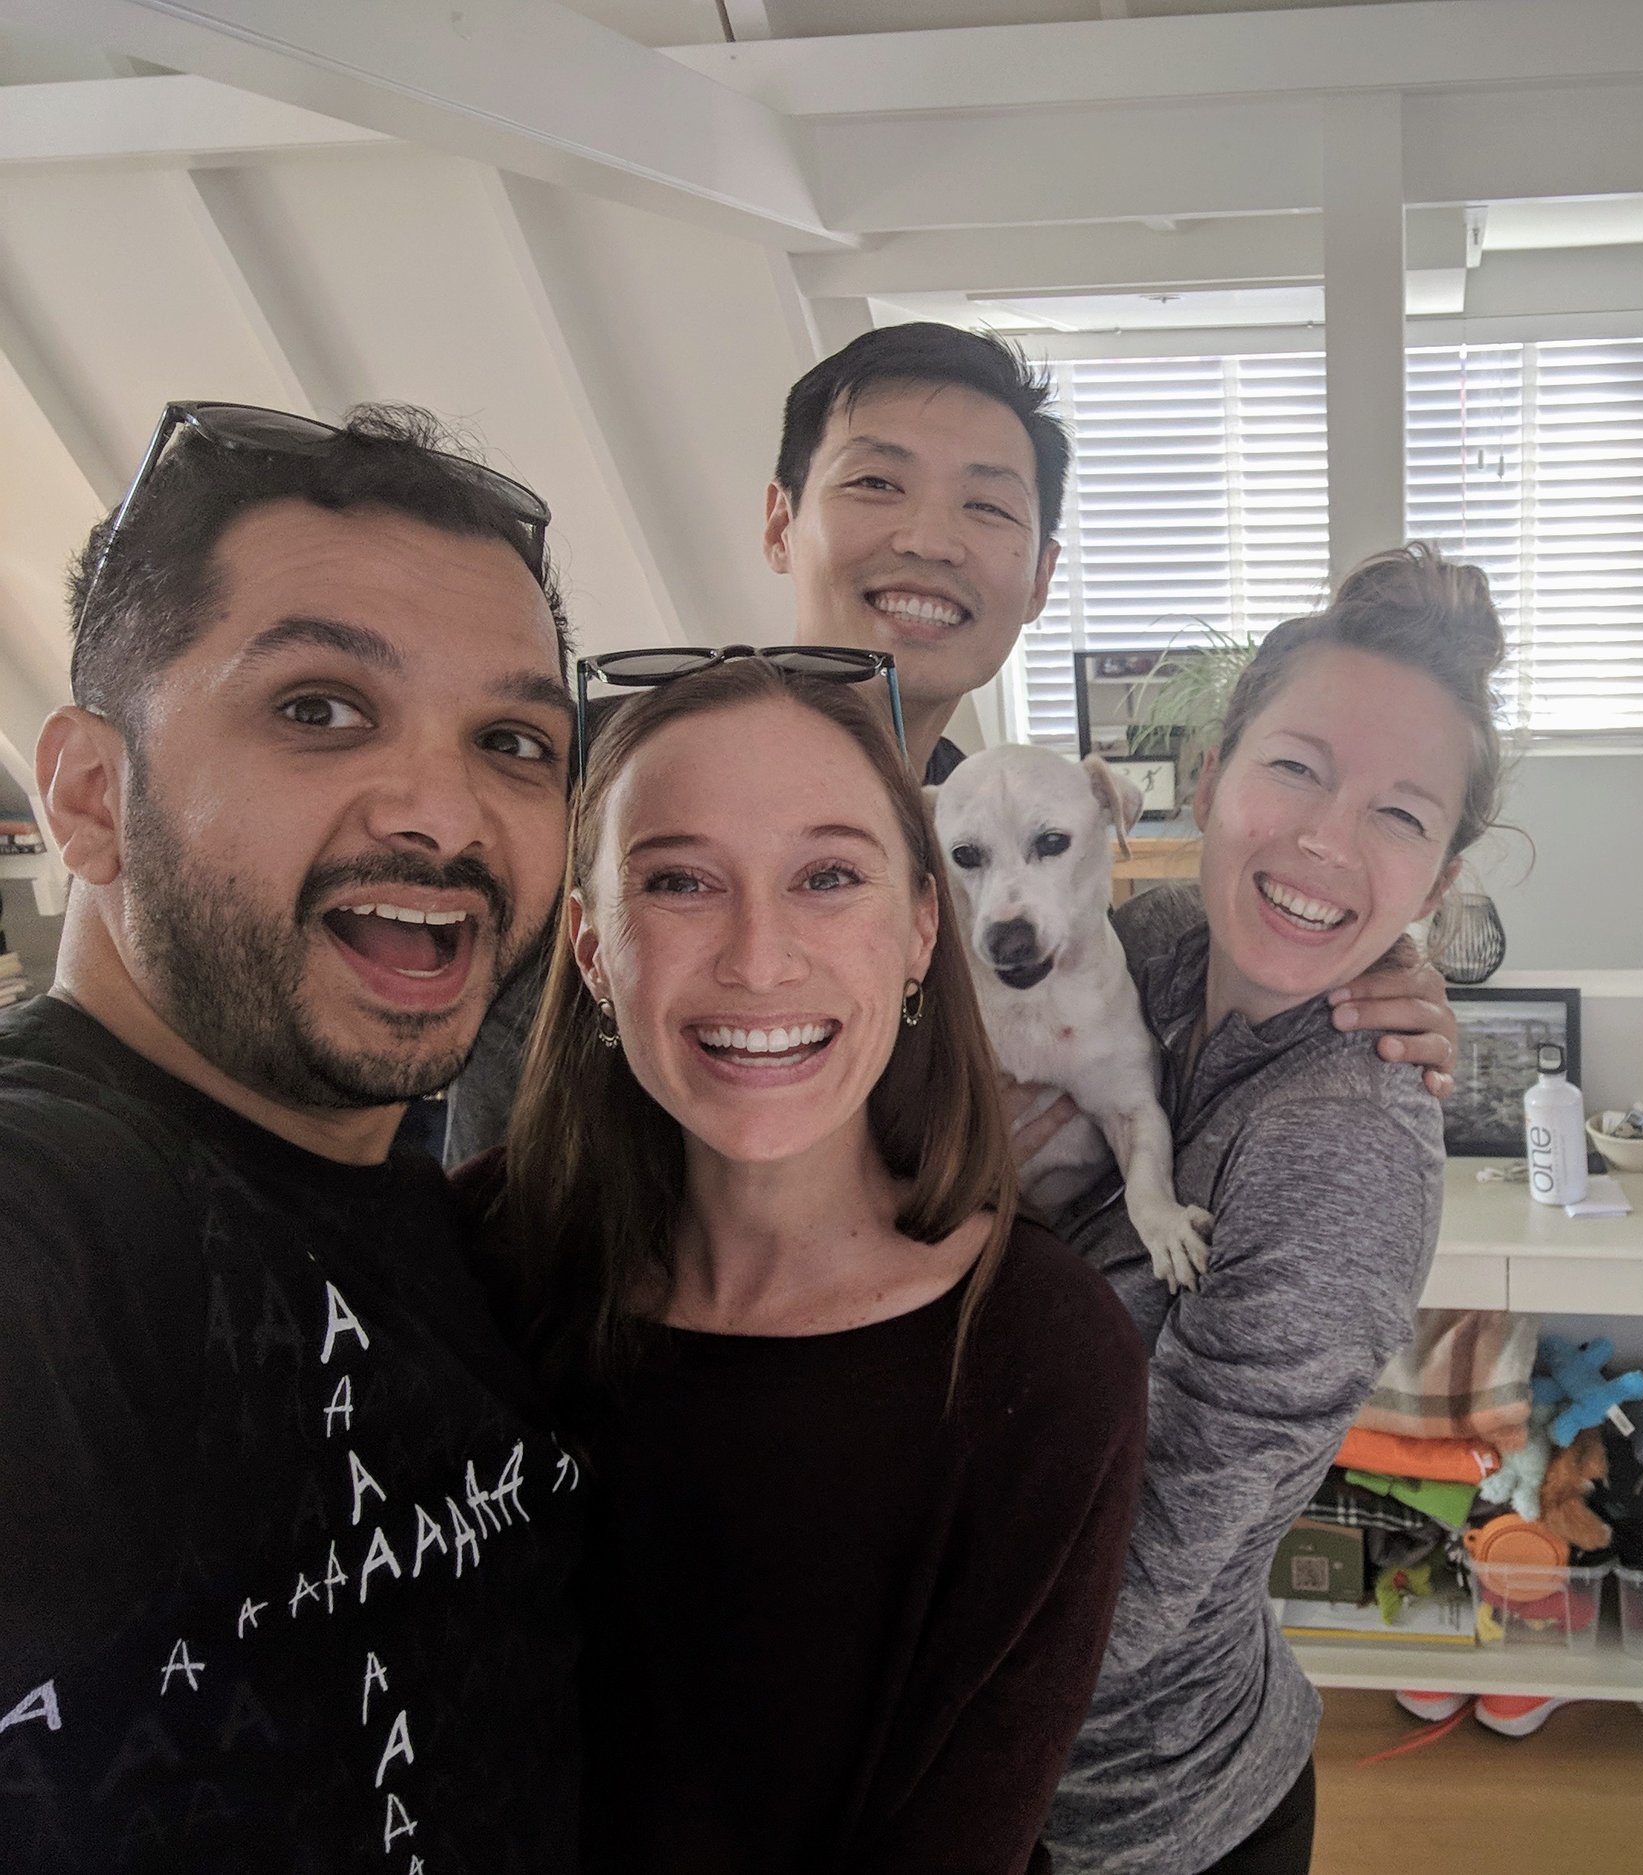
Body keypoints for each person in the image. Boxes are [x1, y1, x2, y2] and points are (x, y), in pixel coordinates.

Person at [0, 404, 584, 1870]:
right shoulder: (61, 1212)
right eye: (319, 706)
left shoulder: (420, 1198)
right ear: (87, 793)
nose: (444, 812)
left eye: (513, 739)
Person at [445, 323, 1456, 1163]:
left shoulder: (967, 807)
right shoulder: (601, 776)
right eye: (877, 485)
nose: (931, 539)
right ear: (777, 522)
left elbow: (1156, 960)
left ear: (1041, 578)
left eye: (985, 505)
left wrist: (1365, 983)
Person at [462, 656, 1148, 1872]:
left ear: (920, 929)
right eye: (676, 881)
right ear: (589, 949)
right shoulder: (461, 1276)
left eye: (829, 877)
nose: (759, 958)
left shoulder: (1046, 1359)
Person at [1046, 544, 1511, 1875]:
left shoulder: (1344, 1138)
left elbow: (1167, 1550)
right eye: (1296, 767)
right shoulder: (1145, 950)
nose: (1324, 838)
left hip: (1135, 1817)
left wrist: (899, 1720)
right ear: (1209, 780)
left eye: (1401, 815)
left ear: (1437, 883)